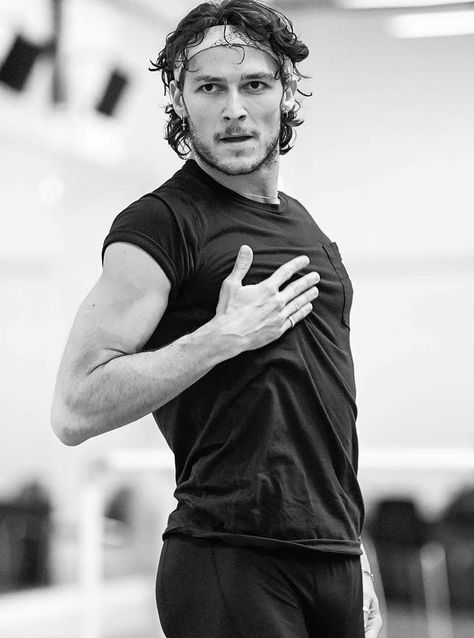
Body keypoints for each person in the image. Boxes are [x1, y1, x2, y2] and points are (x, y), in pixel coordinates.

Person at [51, 1, 383, 636]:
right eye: (210, 87)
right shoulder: (160, 224)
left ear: (285, 94)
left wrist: (352, 554)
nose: (233, 108)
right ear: (179, 101)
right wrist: (218, 337)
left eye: (253, 84)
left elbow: (319, 413)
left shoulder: (303, 223)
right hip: (231, 559)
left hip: (333, 557)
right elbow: (73, 408)